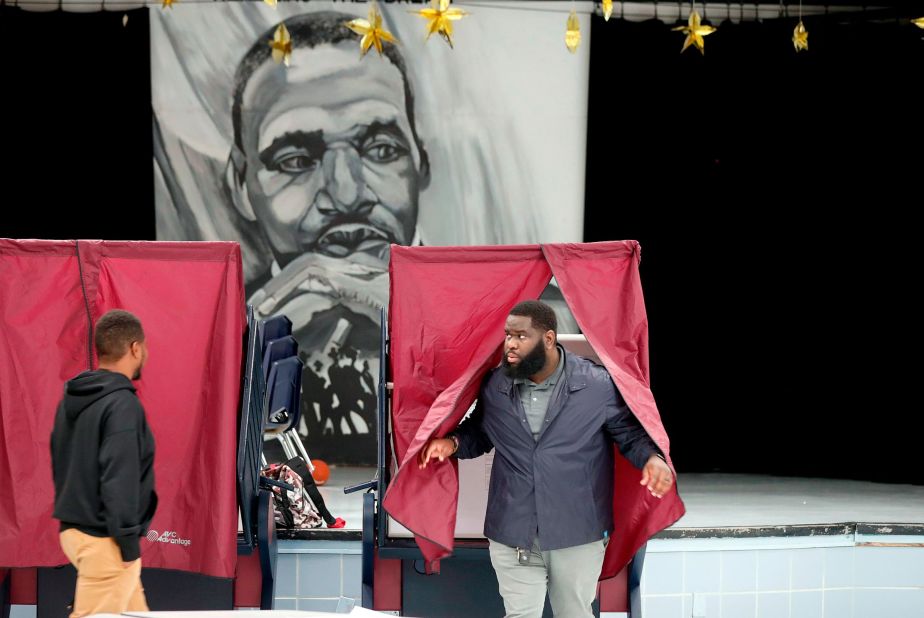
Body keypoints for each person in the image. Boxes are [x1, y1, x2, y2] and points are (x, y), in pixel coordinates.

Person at [418, 300, 674, 618]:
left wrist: (652, 458)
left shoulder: (597, 385)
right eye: (508, 335)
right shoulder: (495, 385)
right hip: (513, 529)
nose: (510, 344)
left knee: (574, 614)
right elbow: (481, 433)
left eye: (521, 336)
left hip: (576, 531)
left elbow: (630, 435)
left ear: (549, 339)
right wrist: (453, 442)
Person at [50, 310, 157, 616]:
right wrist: (126, 542)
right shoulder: (122, 404)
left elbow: (60, 459)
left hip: (78, 531)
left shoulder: (75, 398)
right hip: (105, 538)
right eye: (144, 348)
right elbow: (119, 475)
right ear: (135, 348)